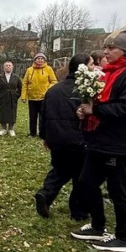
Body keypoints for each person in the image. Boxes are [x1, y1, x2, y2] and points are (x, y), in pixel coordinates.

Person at [72, 24, 126, 252]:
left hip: (121, 143)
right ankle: (98, 225)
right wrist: (88, 109)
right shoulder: (114, 71)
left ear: (125, 51)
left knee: (119, 190)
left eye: (111, 48)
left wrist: (95, 111)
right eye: (105, 48)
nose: (105, 53)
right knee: (86, 182)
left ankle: (122, 237)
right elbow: (104, 103)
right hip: (103, 140)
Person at [34, 54, 91, 221]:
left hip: (57, 139)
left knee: (60, 169)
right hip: (78, 139)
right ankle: (78, 212)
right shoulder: (85, 91)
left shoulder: (53, 90)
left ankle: (46, 194)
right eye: (92, 64)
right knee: (80, 175)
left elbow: (43, 116)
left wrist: (45, 136)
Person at [21, 53, 58, 137]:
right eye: (38, 58)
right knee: (32, 117)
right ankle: (32, 133)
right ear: (35, 60)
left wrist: (48, 90)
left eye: (42, 58)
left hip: (43, 98)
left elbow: (54, 81)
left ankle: (42, 133)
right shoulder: (29, 70)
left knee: (43, 117)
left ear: (44, 60)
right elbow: (25, 83)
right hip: (32, 97)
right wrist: (23, 96)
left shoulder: (48, 69)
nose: (40, 60)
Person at [0, 61, 23, 136]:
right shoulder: (0, 77)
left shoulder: (16, 77)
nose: (8, 67)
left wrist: (17, 95)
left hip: (12, 97)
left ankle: (11, 129)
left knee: (12, 112)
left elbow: (20, 87)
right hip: (3, 97)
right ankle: (3, 129)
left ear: (12, 67)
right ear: (4, 67)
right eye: (6, 66)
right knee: (2, 112)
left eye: (9, 65)